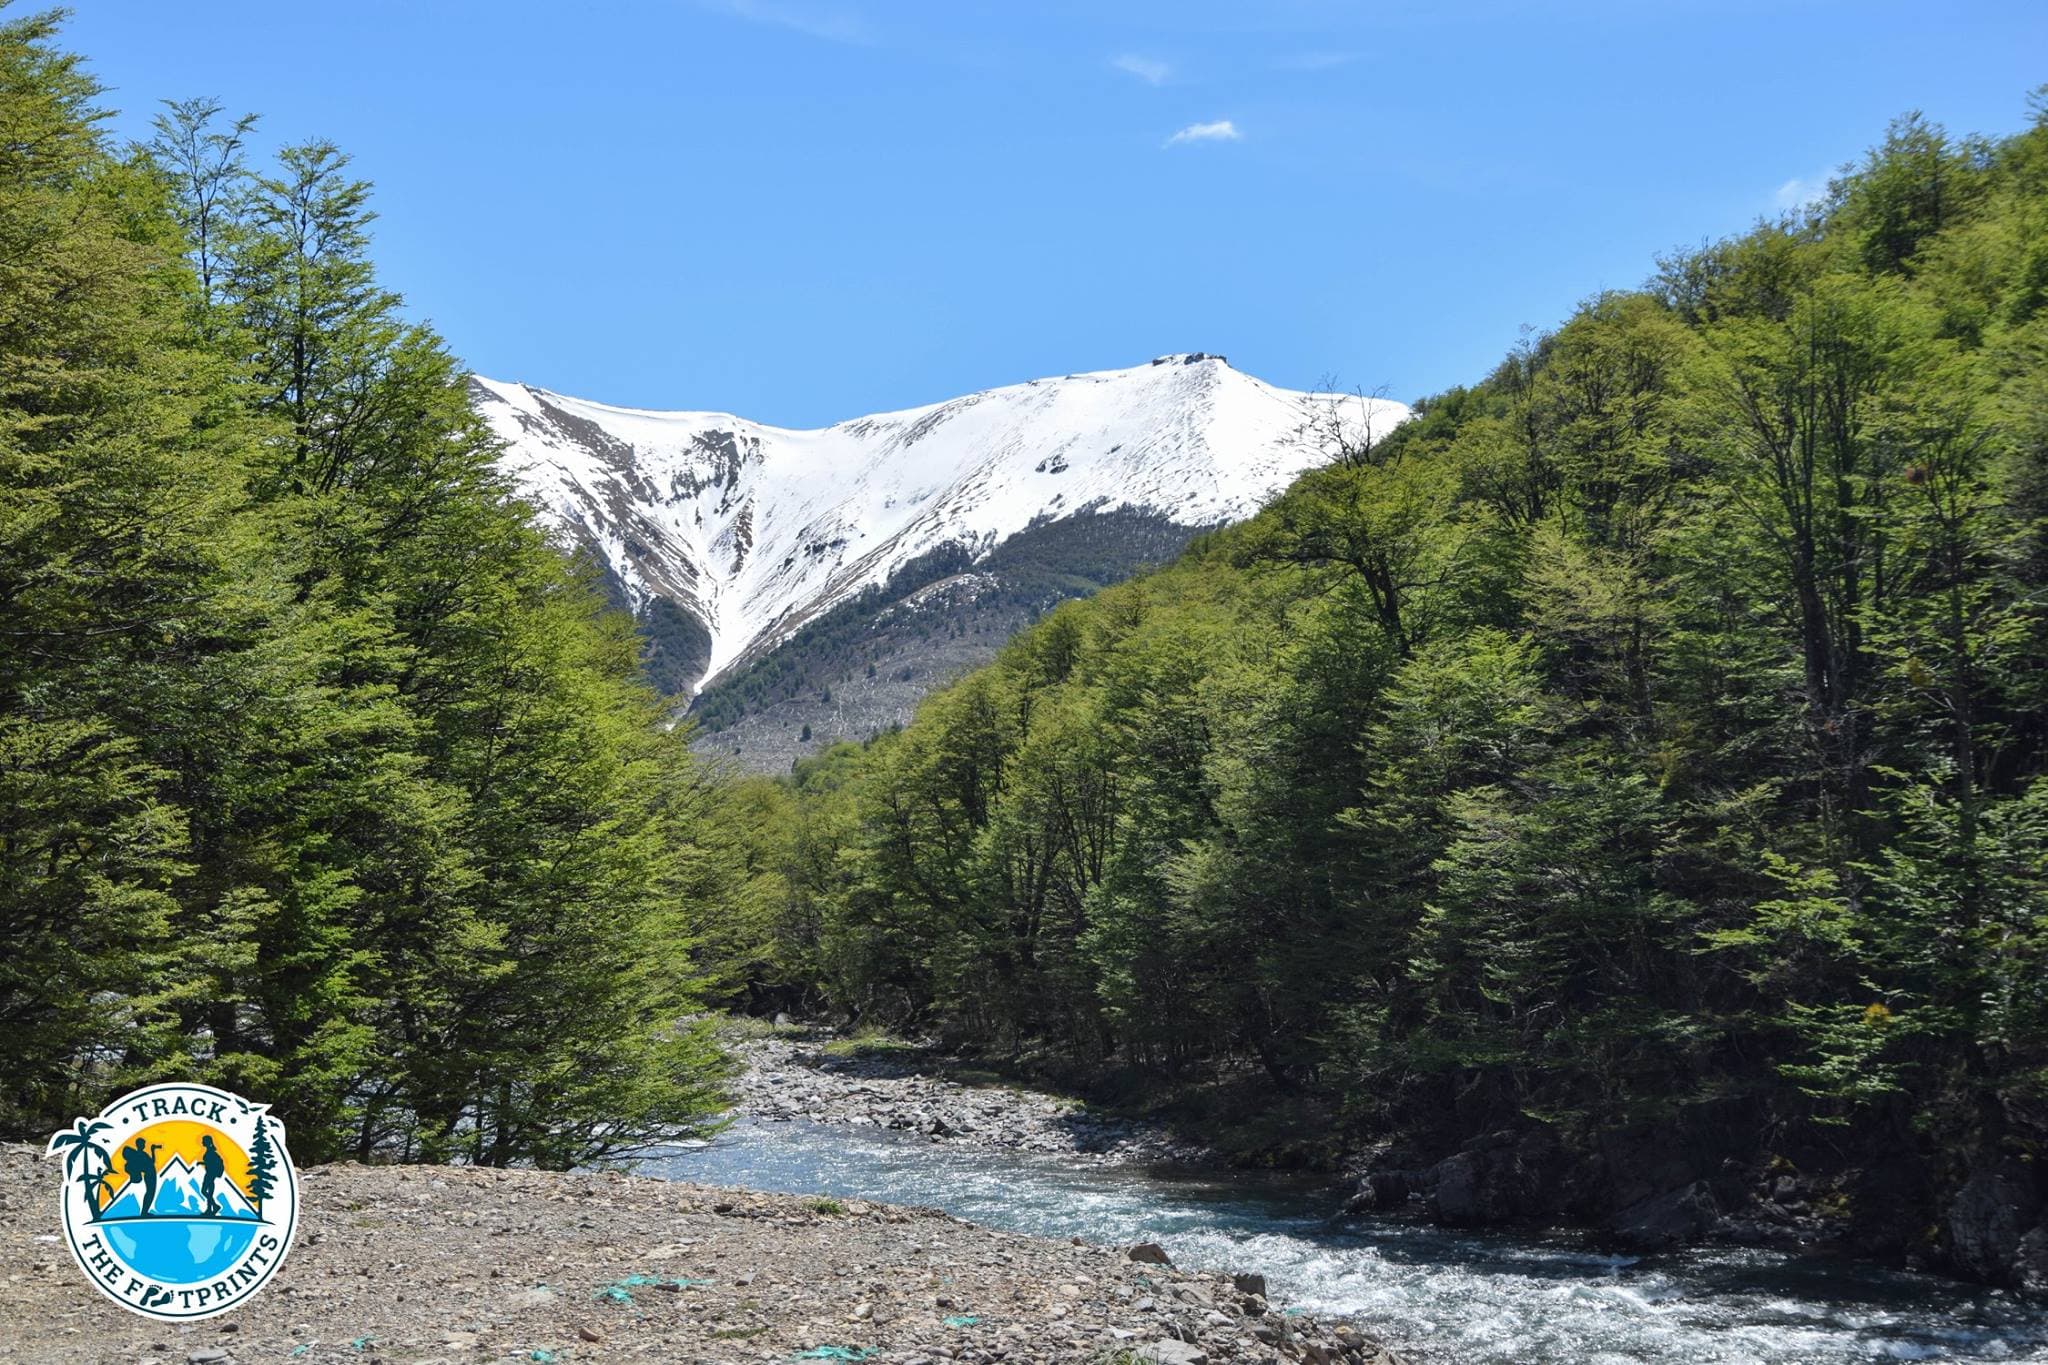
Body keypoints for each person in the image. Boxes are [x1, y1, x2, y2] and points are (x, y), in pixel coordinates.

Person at [119, 1137, 159, 1218]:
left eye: (144, 1144)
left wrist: (152, 1150)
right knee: (150, 1193)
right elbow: (150, 1163)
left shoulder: (141, 1154)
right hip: (150, 1175)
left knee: (150, 1193)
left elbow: (151, 1162)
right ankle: (144, 1213)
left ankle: (144, 1212)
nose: (144, 1145)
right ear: (139, 1145)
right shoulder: (140, 1155)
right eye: (143, 1144)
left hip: (151, 1174)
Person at [198, 1135, 227, 1217]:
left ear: (207, 1142)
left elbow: (211, 1163)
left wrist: (203, 1163)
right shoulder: (210, 1151)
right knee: (208, 1192)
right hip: (210, 1174)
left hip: (210, 1174)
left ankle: (213, 1207)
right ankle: (211, 1208)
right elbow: (210, 1162)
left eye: (203, 1141)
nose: (202, 1142)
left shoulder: (210, 1152)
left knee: (204, 1191)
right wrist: (202, 1163)